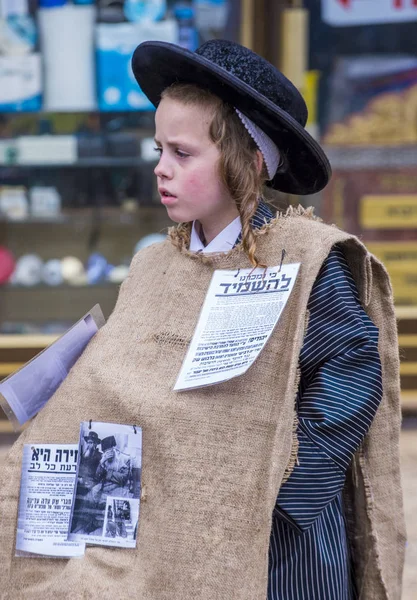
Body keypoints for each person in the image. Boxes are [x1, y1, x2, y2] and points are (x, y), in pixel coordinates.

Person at [0, 40, 405, 600]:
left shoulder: (302, 258)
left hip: (278, 547)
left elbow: (353, 367)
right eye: (158, 149)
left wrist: (280, 489)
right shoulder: (155, 264)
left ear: (249, 160)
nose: (161, 170)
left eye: (183, 154)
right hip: (168, 530)